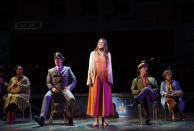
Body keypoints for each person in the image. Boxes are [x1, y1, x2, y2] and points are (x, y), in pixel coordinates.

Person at [34, 52, 77, 126]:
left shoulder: (67, 69)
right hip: (54, 89)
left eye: (58, 59)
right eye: (55, 59)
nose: (56, 60)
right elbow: (48, 82)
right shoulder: (50, 71)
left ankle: (70, 117)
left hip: (64, 89)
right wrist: (52, 88)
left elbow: (74, 79)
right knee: (47, 96)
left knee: (72, 98)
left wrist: (70, 87)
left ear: (62, 60)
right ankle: (42, 118)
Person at [87, 38, 114, 127]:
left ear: (105, 44)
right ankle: (96, 120)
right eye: (99, 42)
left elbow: (110, 67)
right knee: (96, 99)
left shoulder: (108, 54)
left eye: (102, 42)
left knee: (104, 100)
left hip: (105, 80)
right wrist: (89, 80)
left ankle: (103, 120)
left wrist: (110, 80)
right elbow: (90, 68)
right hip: (96, 79)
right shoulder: (92, 54)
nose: (100, 44)